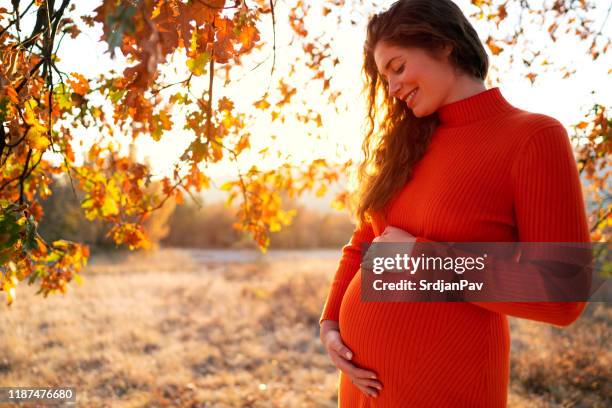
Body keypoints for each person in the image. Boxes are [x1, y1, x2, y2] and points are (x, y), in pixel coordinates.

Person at [318, 0, 591, 406]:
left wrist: (422, 258)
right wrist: (330, 322)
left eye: (397, 67)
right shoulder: (407, 144)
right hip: (363, 387)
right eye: (383, 77)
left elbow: (566, 291)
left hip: (446, 384)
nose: (391, 88)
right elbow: (367, 240)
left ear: (443, 44)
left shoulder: (534, 136)